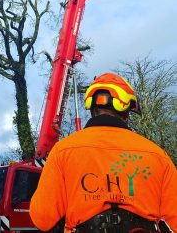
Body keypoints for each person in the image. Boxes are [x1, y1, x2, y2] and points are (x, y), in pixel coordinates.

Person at [29, 73, 177, 232]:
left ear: (92, 109)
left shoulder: (63, 151)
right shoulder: (158, 156)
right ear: (126, 111)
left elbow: (43, 218)